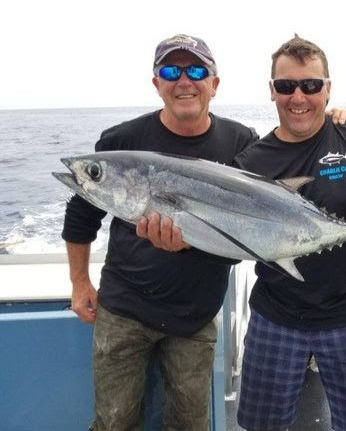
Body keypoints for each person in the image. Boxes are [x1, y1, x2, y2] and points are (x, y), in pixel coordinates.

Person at [141, 34, 346, 431]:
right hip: (275, 318)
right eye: (286, 85)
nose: (298, 97)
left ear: (327, 89)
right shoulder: (250, 163)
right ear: (272, 91)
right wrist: (180, 243)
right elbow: (228, 244)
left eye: (310, 85)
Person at [62, 33, 258, 430]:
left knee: (190, 425)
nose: (184, 81)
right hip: (123, 309)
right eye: (171, 71)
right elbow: (81, 216)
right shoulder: (121, 142)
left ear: (214, 83)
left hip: (195, 314)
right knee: (113, 423)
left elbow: (260, 216)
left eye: (196, 71)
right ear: (156, 83)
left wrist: (338, 121)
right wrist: (80, 282)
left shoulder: (242, 142)